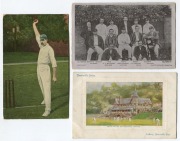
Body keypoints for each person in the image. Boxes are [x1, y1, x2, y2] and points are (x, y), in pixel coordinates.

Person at [33, 19, 57, 117]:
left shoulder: (49, 49)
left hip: (46, 69)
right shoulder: (41, 45)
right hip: (39, 68)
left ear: (47, 40)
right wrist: (34, 24)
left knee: (47, 89)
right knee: (41, 86)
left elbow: (54, 63)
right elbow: (36, 34)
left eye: (43, 39)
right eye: (41, 39)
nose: (42, 41)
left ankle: (48, 109)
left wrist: (54, 76)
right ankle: (45, 99)